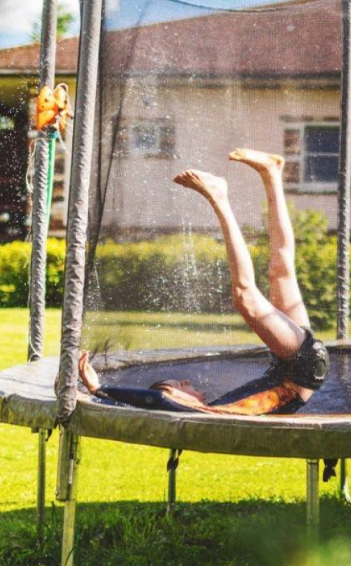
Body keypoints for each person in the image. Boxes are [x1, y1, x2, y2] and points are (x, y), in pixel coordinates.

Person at [77, 149, 329, 416]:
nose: (188, 383)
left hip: (294, 364)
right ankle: (221, 197)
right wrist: (98, 392)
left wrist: (100, 391)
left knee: (278, 272)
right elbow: (162, 401)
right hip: (299, 368)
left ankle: (271, 173)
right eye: (182, 385)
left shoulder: (199, 408)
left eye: (180, 384)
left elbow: (159, 401)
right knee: (254, 289)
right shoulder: (207, 411)